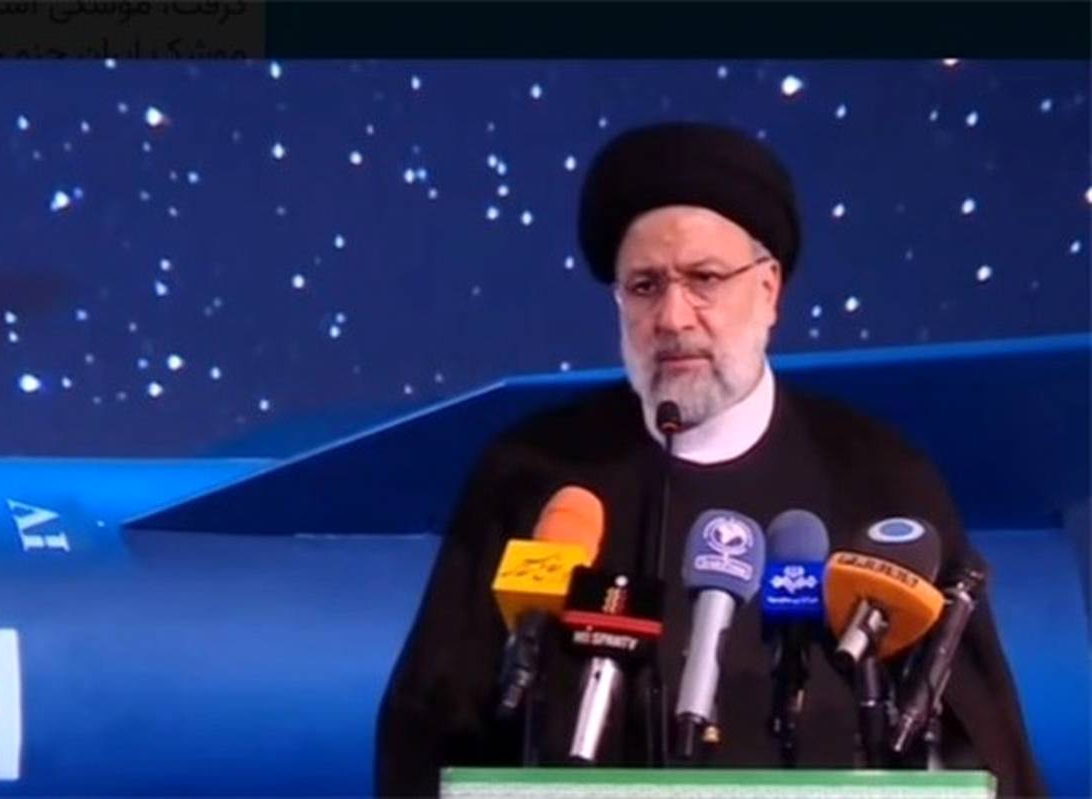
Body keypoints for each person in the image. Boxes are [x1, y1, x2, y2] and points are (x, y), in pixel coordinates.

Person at [375, 122, 1044, 797]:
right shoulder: (533, 475)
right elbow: (429, 732)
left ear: (769, 290)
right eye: (645, 286)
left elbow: (983, 754)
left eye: (704, 279)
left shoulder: (882, 480)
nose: (673, 317)